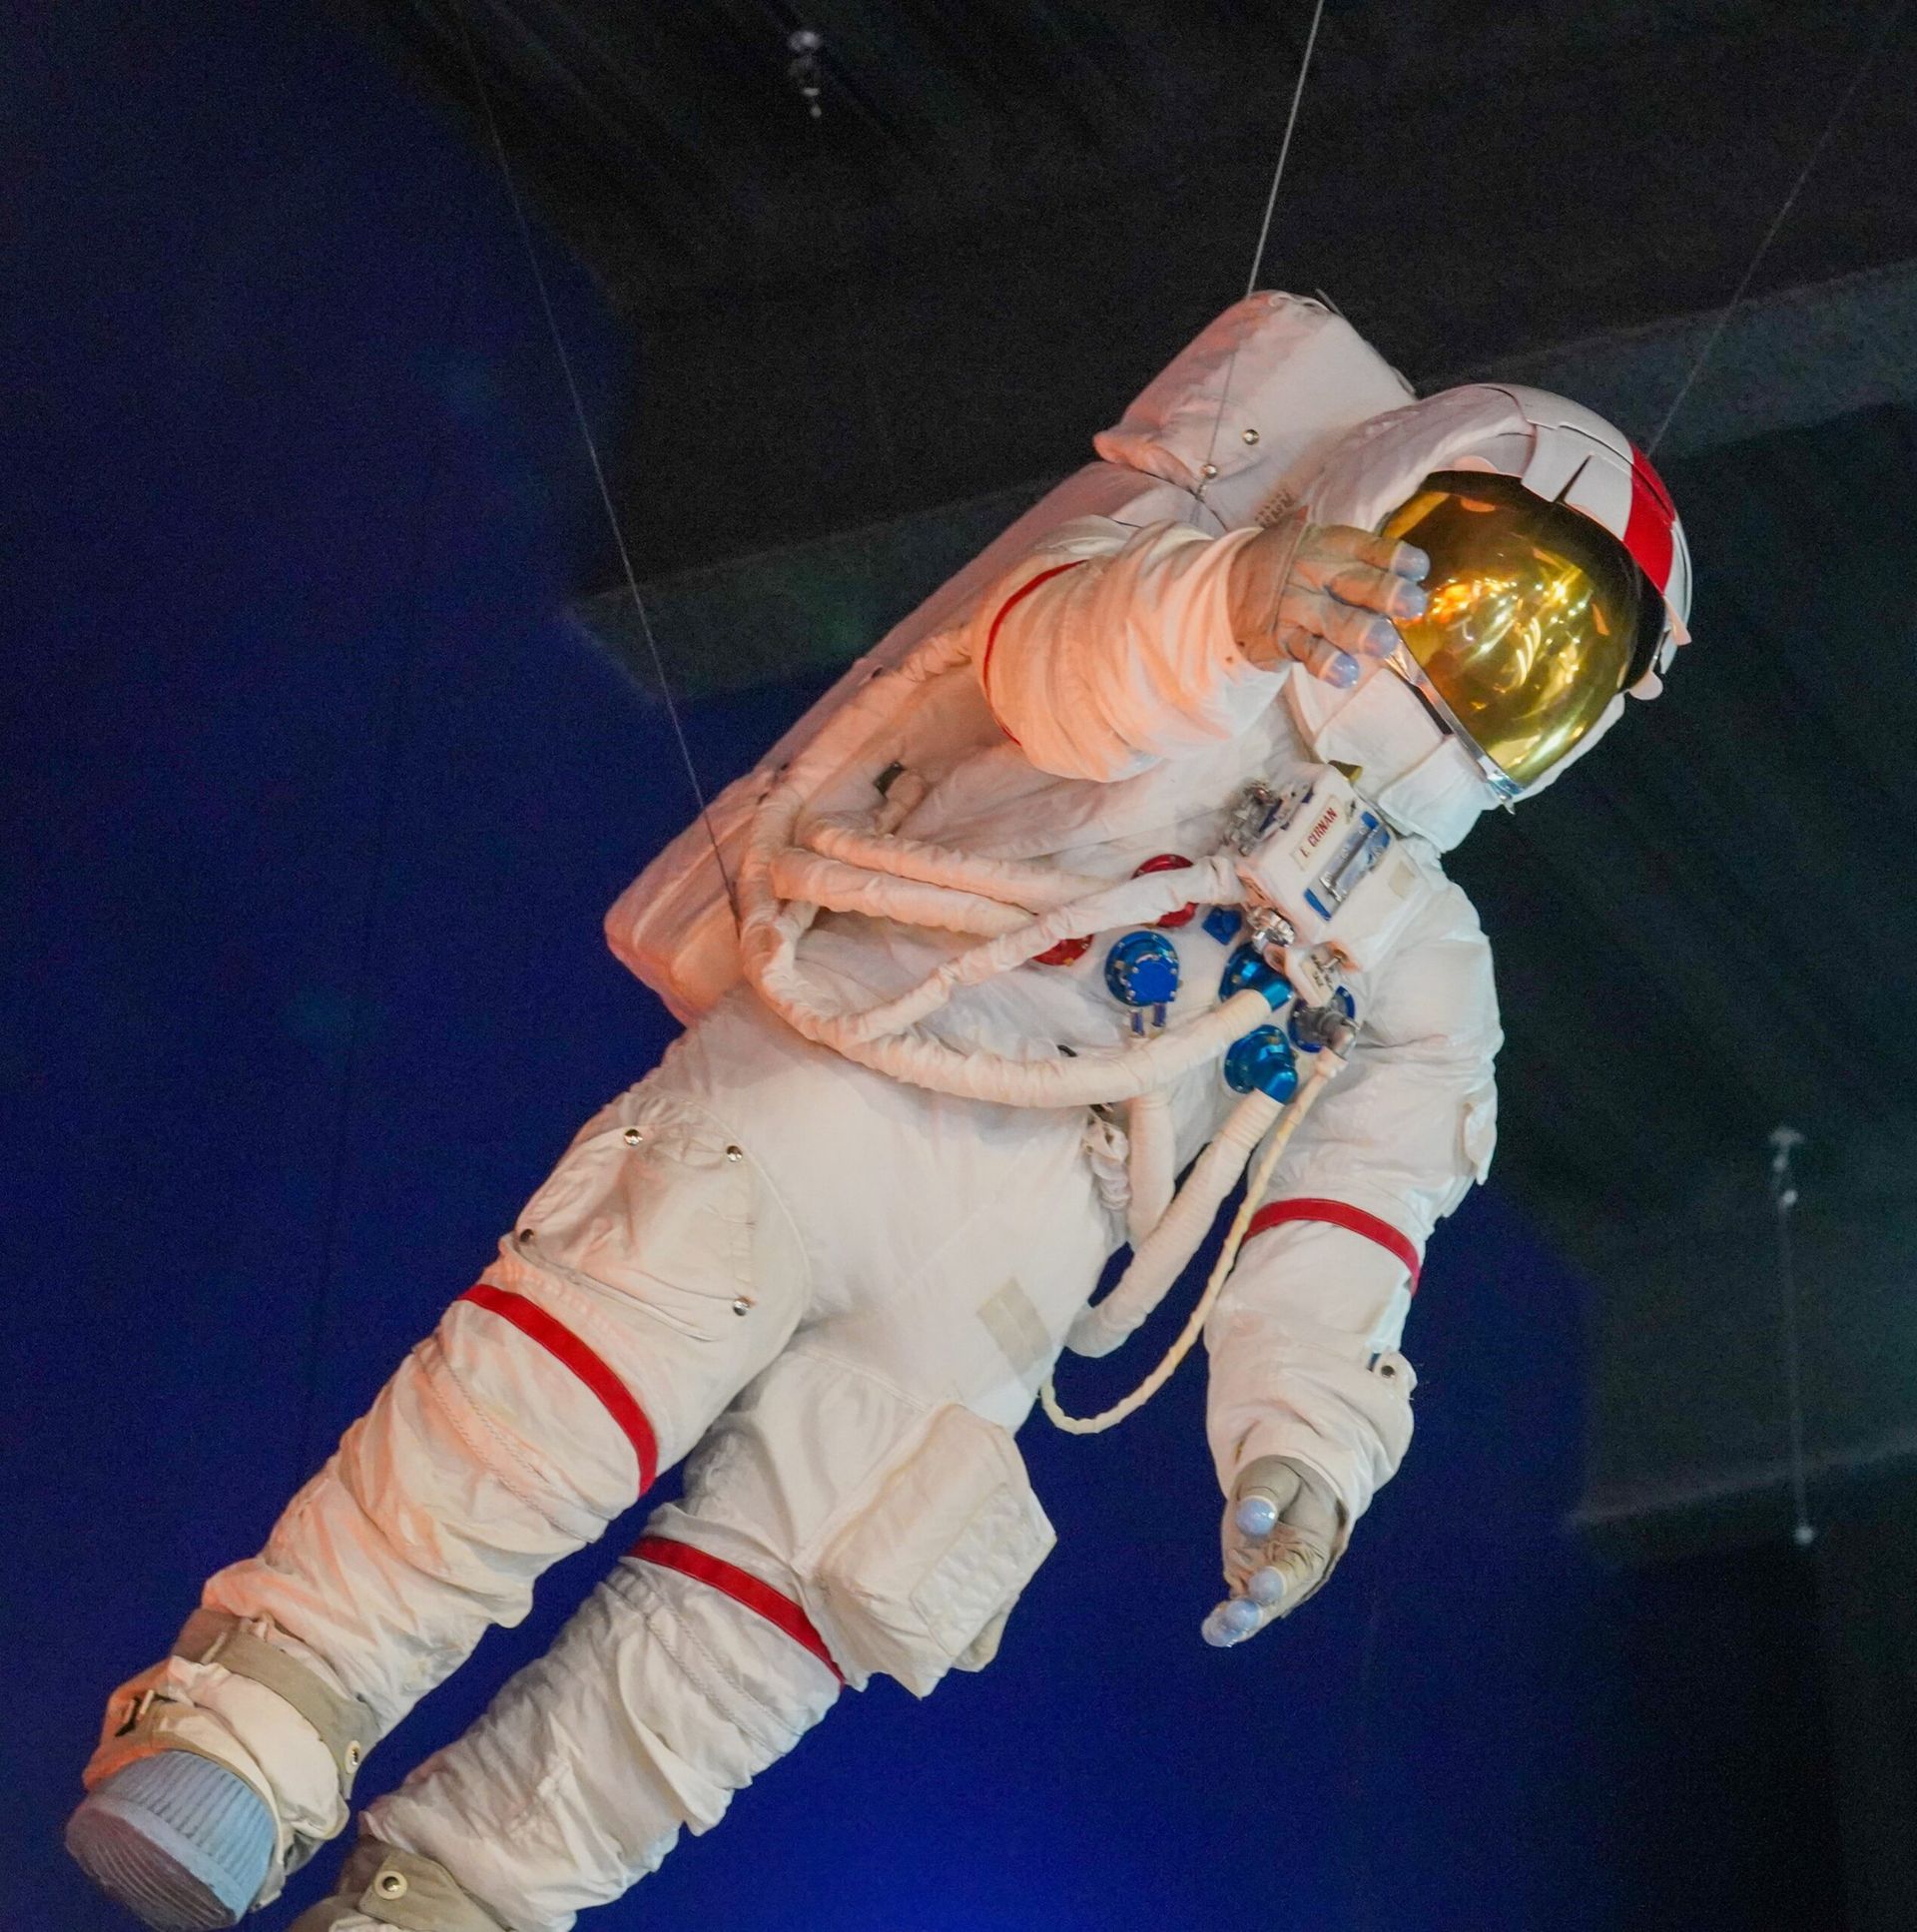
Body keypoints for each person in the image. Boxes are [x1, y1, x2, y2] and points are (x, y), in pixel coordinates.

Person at [67, 293, 1690, 1932]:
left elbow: (1362, 1204)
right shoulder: (1186, 632)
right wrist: (1234, 607)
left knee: (782, 1608)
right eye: (1480, 587)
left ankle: (460, 1902)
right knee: (554, 1400)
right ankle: (258, 1720)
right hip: (852, 1075)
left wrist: (1303, 1444)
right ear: (1388, 497)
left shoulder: (1421, 955)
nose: (1488, 658)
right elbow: (1055, 670)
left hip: (1016, 1273)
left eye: (1548, 661)